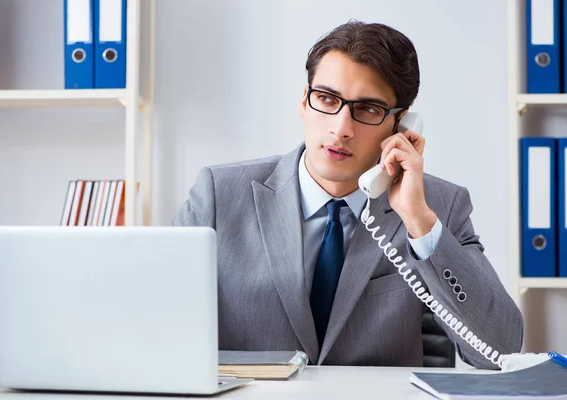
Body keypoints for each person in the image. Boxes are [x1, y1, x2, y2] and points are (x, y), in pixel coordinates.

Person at [172, 20, 523, 369]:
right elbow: (152, 324)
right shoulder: (219, 195)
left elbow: (500, 352)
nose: (341, 129)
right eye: (326, 99)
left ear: (400, 126)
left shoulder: (438, 206)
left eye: (368, 109)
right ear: (305, 105)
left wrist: (419, 222)